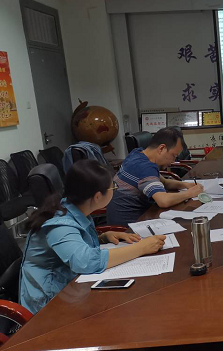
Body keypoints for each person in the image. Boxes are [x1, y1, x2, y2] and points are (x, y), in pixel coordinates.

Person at [19, 160, 166, 315]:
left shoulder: (72, 206)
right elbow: (85, 262)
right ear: (97, 196)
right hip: (49, 305)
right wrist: (141, 248)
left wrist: (103, 238)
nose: (115, 189)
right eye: (113, 187)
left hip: (71, 288)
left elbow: (75, 243)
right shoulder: (60, 225)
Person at [107, 127, 204, 226]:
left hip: (132, 216)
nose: (173, 161)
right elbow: (163, 201)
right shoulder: (145, 167)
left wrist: (185, 185)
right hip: (129, 225)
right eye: (173, 155)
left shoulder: (138, 153)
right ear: (161, 148)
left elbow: (164, 182)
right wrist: (189, 193)